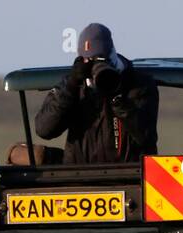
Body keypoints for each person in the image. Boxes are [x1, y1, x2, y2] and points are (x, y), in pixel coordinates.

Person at [34, 23, 159, 164]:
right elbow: (44, 129)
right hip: (80, 176)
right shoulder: (74, 86)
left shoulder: (138, 84)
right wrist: (71, 85)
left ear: (112, 55)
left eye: (100, 59)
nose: (95, 66)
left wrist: (116, 95)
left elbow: (145, 135)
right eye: (88, 60)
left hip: (129, 176)